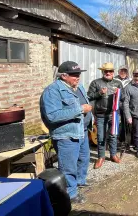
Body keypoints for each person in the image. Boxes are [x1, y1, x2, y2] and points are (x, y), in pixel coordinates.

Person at [40, 61, 92, 203]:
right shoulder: (52, 91)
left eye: (79, 74)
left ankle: (80, 182)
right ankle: (71, 194)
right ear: (64, 76)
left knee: (83, 159)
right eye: (74, 74)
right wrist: (81, 110)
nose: (78, 77)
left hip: (81, 131)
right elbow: (52, 116)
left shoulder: (78, 87)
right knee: (68, 166)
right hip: (66, 135)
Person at [87, 62, 123, 169]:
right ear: (103, 72)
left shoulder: (118, 83)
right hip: (101, 114)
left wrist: (119, 95)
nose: (108, 73)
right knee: (100, 136)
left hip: (114, 114)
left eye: (110, 71)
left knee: (113, 135)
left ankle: (113, 154)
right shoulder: (96, 83)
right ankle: (101, 157)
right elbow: (89, 96)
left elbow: (123, 97)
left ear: (113, 72)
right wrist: (99, 93)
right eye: (106, 71)